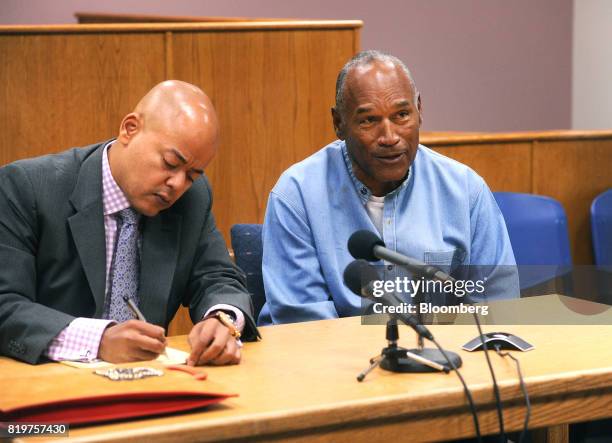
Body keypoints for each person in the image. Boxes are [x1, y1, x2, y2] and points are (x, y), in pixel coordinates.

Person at [0, 80, 259, 365]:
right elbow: (6, 305)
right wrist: (98, 340)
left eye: (192, 175)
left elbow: (217, 278)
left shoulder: (192, 198)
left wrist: (222, 319)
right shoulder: (27, 188)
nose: (177, 184)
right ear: (129, 129)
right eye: (170, 163)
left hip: (147, 384)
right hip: (47, 384)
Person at [260, 50, 518, 325]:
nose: (390, 137)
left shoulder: (465, 190)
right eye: (369, 120)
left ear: (420, 110)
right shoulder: (296, 196)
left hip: (445, 360)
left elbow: (496, 311)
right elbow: (305, 328)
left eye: (402, 115)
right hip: (338, 364)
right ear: (339, 123)